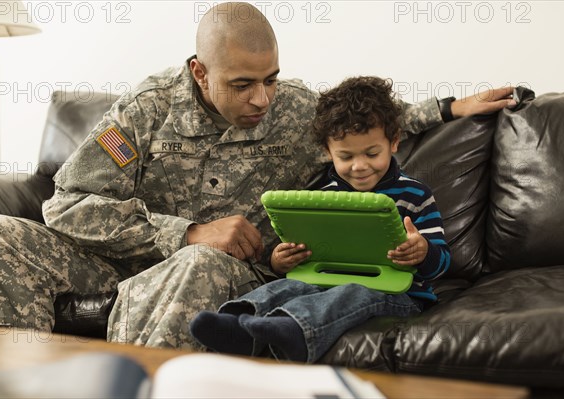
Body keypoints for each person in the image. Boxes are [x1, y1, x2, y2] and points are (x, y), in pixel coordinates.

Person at [0, 2, 513, 350]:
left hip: (235, 273)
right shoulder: (143, 112)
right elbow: (67, 204)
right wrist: (186, 231)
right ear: (200, 72)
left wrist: (448, 106)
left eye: (270, 80)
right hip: (126, 264)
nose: (262, 99)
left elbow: (366, 125)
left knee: (198, 262)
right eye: (242, 84)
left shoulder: (292, 111)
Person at [189, 76, 450, 362]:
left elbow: (441, 264)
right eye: (346, 156)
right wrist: (281, 260)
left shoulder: (415, 194)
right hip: (327, 282)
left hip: (401, 294)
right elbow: (306, 259)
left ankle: (294, 330)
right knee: (291, 286)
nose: (360, 166)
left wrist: (423, 251)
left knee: (353, 292)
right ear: (327, 152)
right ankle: (236, 322)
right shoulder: (320, 197)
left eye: (372, 153)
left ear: (394, 142)